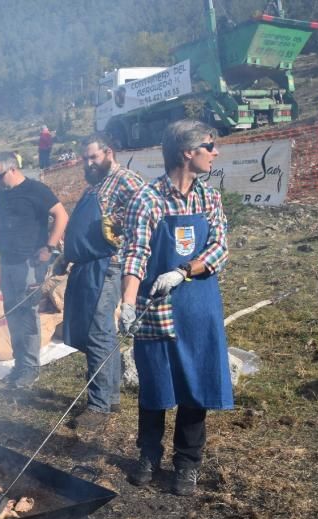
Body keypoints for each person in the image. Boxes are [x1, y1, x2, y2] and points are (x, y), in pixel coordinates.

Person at [120, 120, 233, 496]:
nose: (215, 152)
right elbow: (135, 254)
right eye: (210, 146)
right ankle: (148, 456)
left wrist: (185, 271)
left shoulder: (210, 197)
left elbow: (219, 247)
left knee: (195, 385)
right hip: (157, 307)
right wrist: (126, 302)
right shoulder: (148, 199)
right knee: (155, 384)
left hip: (198, 305)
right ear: (188, 152)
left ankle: (187, 463)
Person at [63, 134, 145, 430]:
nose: (88, 163)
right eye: (84, 158)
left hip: (108, 266)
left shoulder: (124, 179)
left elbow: (148, 210)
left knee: (98, 333)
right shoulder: (96, 184)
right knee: (100, 333)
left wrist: (122, 223)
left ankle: (98, 407)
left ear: (108, 152)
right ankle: (110, 397)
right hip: (87, 264)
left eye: (93, 157)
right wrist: (67, 254)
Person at [0, 151, 69, 388]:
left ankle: (30, 368)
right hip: (7, 261)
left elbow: (61, 215)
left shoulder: (36, 190)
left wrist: (49, 247)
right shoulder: (2, 194)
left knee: (26, 312)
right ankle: (19, 364)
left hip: (31, 263)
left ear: (13, 169)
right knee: (12, 313)